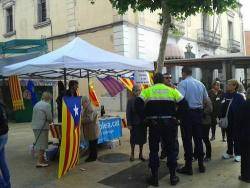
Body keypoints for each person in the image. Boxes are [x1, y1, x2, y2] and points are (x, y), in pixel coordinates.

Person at [140, 73, 187, 186]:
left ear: (154, 80)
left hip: (154, 124)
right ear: (163, 80)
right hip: (169, 124)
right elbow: (184, 104)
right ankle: (173, 177)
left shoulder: (147, 91)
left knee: (154, 150)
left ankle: (154, 178)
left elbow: (137, 103)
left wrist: (145, 117)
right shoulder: (171, 90)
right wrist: (176, 117)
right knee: (171, 150)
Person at [177, 67, 208, 175]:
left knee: (187, 140)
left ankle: (188, 166)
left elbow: (180, 100)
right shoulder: (200, 84)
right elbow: (206, 100)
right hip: (198, 114)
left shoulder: (183, 83)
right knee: (198, 140)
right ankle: (200, 165)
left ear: (184, 73)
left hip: (187, 115)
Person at [221, 79, 245, 162]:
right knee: (229, 137)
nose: (227, 85)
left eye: (229, 84)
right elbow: (222, 107)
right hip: (227, 121)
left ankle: (238, 154)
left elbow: (243, 110)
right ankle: (230, 152)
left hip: (237, 121)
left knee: (237, 138)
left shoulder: (239, 97)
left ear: (235, 86)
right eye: (227, 84)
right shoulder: (225, 95)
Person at [31, 92, 53, 167]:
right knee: (42, 145)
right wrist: (51, 121)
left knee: (39, 143)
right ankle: (39, 162)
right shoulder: (47, 105)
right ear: (48, 98)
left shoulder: (37, 104)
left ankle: (42, 159)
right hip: (42, 127)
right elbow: (49, 118)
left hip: (35, 126)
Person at [126, 85, 146, 162]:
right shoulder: (130, 100)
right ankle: (132, 154)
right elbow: (128, 113)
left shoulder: (144, 99)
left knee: (142, 140)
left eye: (140, 90)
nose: (138, 92)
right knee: (133, 139)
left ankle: (140, 154)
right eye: (136, 90)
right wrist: (129, 124)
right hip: (134, 123)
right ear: (133, 91)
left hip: (142, 123)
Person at [160, 73, 177, 160]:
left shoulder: (174, 88)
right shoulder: (160, 89)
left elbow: (179, 101)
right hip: (162, 116)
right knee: (163, 137)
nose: (169, 79)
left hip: (172, 116)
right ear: (163, 79)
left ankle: (175, 153)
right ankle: (164, 152)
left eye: (170, 77)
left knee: (174, 137)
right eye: (167, 78)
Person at [81, 96, 100, 162]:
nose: (82, 105)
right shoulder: (87, 107)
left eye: (82, 103)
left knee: (93, 145)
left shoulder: (90, 108)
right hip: (91, 130)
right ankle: (91, 156)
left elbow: (90, 119)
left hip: (93, 130)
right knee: (91, 144)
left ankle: (93, 157)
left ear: (86, 102)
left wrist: (81, 120)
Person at [237, 88, 250, 183]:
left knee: (245, 156)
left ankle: (245, 176)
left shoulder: (244, 105)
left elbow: (239, 121)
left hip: (246, 134)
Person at [0, 100, 11, 188]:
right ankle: (7, 184)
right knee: (2, 161)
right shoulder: (2, 103)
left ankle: (3, 185)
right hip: (4, 134)